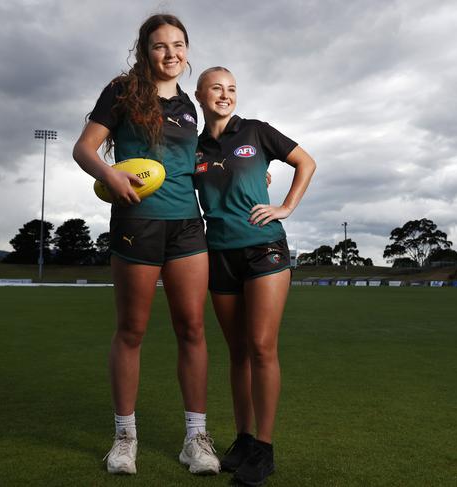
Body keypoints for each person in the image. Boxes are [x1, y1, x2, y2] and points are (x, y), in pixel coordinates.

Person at [72, 15, 220, 475]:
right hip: (137, 221)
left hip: (187, 227)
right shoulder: (122, 92)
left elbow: (194, 162)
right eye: (160, 46)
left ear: (188, 51)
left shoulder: (192, 109)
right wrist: (109, 174)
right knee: (131, 330)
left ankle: (195, 439)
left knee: (193, 329)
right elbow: (84, 149)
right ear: (145, 50)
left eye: (179, 45)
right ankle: (124, 438)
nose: (171, 53)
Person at [193, 66, 316, 486]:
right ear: (199, 94)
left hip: (264, 249)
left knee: (262, 347)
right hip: (219, 254)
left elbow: (305, 162)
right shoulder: (194, 150)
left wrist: (284, 206)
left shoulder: (257, 131)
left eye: (231, 89)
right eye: (216, 89)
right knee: (238, 351)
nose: (225, 95)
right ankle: (243, 440)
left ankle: (264, 449)